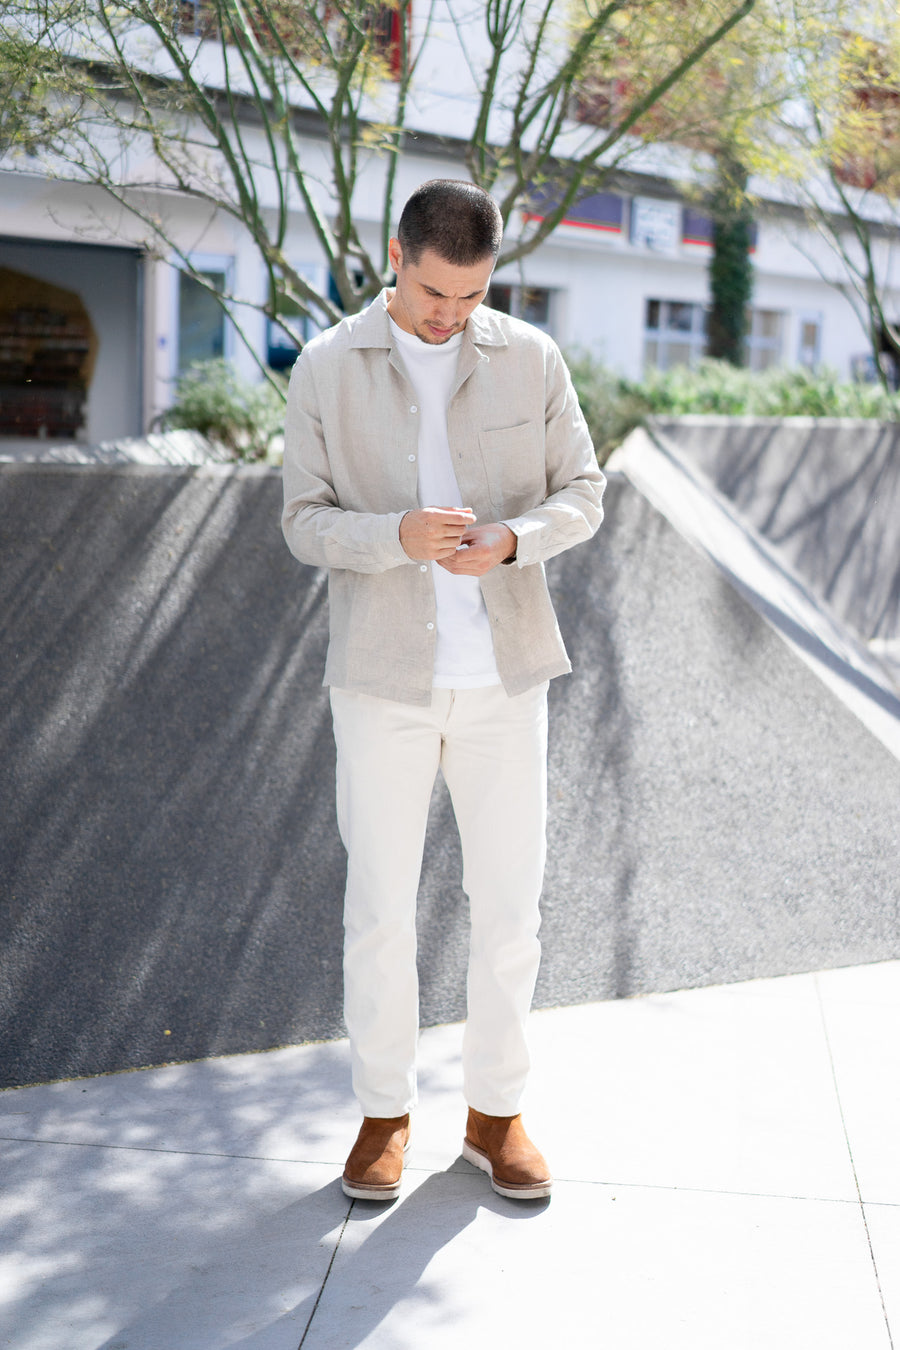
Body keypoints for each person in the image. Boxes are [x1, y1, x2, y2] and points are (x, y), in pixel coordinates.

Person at [282, 179, 605, 1203]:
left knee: (509, 907)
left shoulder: (533, 359)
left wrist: (514, 540)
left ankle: (495, 1117)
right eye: (432, 292)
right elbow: (301, 521)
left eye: (469, 297)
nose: (448, 315)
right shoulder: (329, 367)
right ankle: (384, 1116)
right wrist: (392, 539)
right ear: (395, 254)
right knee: (379, 909)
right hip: (381, 682)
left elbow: (584, 492)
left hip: (505, 680)